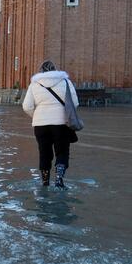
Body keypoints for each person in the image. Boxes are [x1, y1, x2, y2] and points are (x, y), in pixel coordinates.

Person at [22, 60, 79, 188]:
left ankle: (45, 182)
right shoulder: (65, 82)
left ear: (41, 70)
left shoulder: (34, 84)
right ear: (55, 70)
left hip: (40, 125)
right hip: (61, 124)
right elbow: (75, 103)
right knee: (62, 152)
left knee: (44, 153)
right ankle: (59, 179)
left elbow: (26, 106)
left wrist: (36, 116)